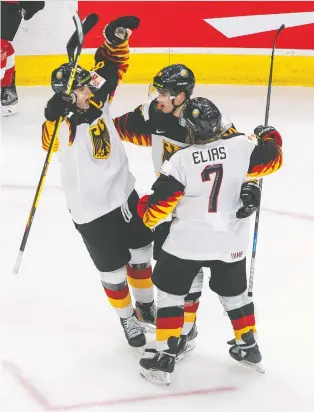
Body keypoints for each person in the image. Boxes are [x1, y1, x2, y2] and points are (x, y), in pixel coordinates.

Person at [113, 64, 260, 359]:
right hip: (168, 208)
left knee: (188, 271)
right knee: (184, 275)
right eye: (158, 91)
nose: (159, 98)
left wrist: (250, 186)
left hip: (200, 212)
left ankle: (185, 328)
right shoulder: (150, 113)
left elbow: (237, 159)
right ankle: (184, 330)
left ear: (182, 96)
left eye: (165, 92)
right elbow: (112, 128)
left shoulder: (212, 122)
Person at [136, 97, 283, 385]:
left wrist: (142, 206)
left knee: (171, 296)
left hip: (187, 243)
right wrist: (269, 135)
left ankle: (165, 358)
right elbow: (273, 159)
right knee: (235, 296)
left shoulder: (179, 160)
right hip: (229, 241)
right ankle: (249, 347)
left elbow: (155, 211)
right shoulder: (242, 145)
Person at [40, 16, 156, 348]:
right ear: (66, 96)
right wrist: (52, 114)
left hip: (123, 192)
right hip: (91, 210)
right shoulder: (62, 124)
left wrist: (115, 39)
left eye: (88, 84)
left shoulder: (96, 97)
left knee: (141, 252)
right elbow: (49, 141)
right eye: (82, 87)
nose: (90, 88)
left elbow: (109, 67)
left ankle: (146, 306)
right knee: (113, 272)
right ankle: (127, 319)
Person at [1, 1, 45, 116]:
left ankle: (7, 98)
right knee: (5, 47)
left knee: (2, 46)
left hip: (9, 6)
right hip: (11, 6)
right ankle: (8, 99)